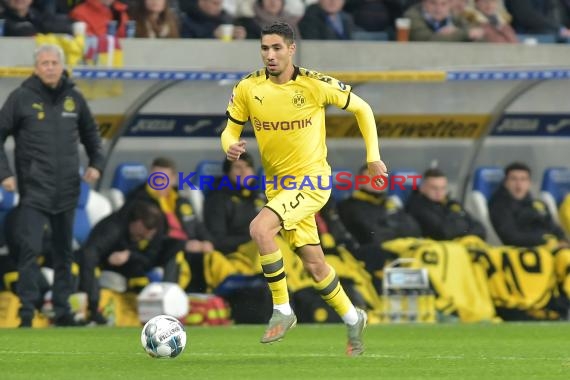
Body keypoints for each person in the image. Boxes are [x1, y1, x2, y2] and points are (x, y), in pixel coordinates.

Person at [221, 21, 387, 356]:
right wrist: (230, 145)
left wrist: (373, 158)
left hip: (312, 182)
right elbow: (229, 129)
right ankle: (353, 316)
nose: (270, 55)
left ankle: (282, 309)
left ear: (291, 49)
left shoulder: (314, 84)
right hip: (279, 188)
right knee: (315, 265)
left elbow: (362, 108)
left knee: (260, 229)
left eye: (277, 48)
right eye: (265, 48)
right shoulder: (247, 88)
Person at [0, 44, 105, 327]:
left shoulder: (75, 98)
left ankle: (62, 311)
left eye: (53, 62)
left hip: (68, 189)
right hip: (34, 190)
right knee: (29, 251)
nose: (49, 67)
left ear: (61, 66)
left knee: (64, 253)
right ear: (36, 68)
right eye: (44, 63)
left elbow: (92, 135)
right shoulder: (20, 98)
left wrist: (96, 164)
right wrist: (4, 173)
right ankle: (25, 313)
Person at [78, 200, 165, 325]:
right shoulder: (112, 228)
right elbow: (89, 255)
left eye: (146, 237)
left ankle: (152, 317)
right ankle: (93, 310)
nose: (143, 239)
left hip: (131, 268)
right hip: (103, 265)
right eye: (140, 235)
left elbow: (150, 259)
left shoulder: (153, 230)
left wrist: (130, 255)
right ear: (137, 222)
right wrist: (93, 301)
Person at [489, 162, 568, 248]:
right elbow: (510, 237)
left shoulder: (537, 204)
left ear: (529, 183)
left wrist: (562, 240)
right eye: (514, 179)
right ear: (505, 182)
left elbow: (554, 228)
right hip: (524, 252)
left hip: (549, 247)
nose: (519, 185)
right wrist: (545, 240)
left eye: (523, 179)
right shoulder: (499, 206)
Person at [406, 168, 486, 240]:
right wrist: (464, 224)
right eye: (434, 188)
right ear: (422, 188)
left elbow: (480, 229)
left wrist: (458, 226)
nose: (439, 192)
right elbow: (443, 232)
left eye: (443, 188)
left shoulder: (451, 204)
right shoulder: (418, 206)